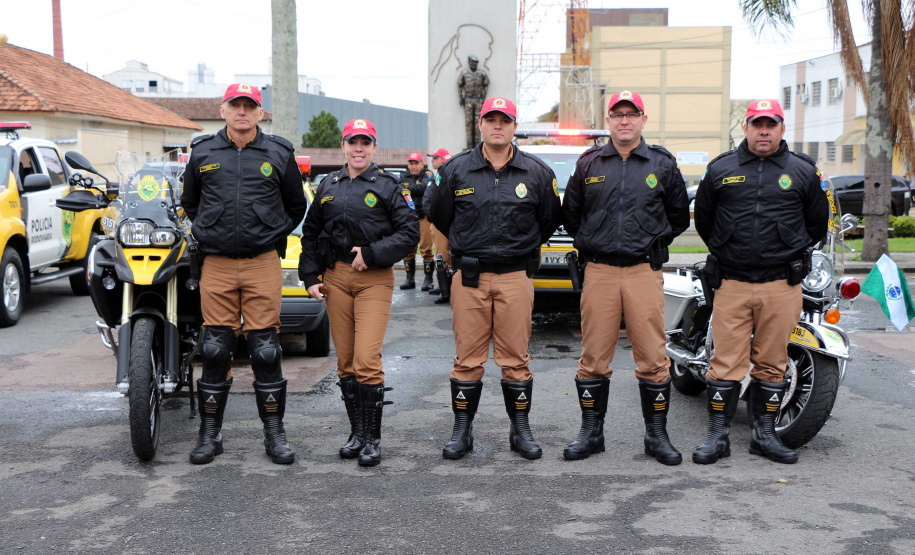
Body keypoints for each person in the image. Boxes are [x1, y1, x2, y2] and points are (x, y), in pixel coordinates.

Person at [693, 99, 828, 465]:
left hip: (781, 285)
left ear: (782, 129)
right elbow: (704, 219)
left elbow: (817, 223)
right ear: (747, 128)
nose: (763, 131)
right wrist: (728, 247)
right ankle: (717, 437)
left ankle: (764, 436)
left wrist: (787, 248)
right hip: (732, 282)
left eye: (771, 124)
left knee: (773, 362)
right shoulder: (721, 168)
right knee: (725, 363)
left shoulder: (802, 171)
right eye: (757, 124)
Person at [180, 83, 307, 465]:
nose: (242, 112)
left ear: (259, 113)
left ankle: (274, 435)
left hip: (262, 261)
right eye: (236, 105)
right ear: (223, 110)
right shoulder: (203, 152)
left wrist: (269, 230)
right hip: (216, 263)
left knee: (265, 350)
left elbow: (295, 205)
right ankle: (209, 435)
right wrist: (210, 229)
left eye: (250, 106)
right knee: (216, 348)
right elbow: (190, 202)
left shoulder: (278, 152)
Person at [561, 90, 690, 465]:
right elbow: (572, 214)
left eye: (631, 114)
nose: (624, 121)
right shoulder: (589, 163)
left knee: (652, 356)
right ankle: (591, 433)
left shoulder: (661, 164)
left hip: (642, 271)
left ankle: (657, 436)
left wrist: (650, 241)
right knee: (593, 357)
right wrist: (594, 239)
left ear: (643, 120)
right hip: (599, 270)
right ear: (609, 121)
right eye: (617, 114)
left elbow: (678, 216)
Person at [428, 97, 561, 460]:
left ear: (514, 126)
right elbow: (438, 213)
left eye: (505, 120)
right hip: (469, 277)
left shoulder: (536, 172)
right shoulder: (456, 170)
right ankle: (462, 432)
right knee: (467, 360)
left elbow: (549, 219)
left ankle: (520, 432)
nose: (498, 125)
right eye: (491, 119)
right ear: (481, 125)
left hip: (516, 276)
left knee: (516, 359)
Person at [298, 119, 420, 467]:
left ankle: (373, 439)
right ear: (344, 145)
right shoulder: (328, 185)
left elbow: (409, 232)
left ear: (374, 147)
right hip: (335, 278)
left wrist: (372, 252)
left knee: (367, 359)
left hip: (373, 279)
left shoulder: (388, 186)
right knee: (346, 361)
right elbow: (311, 233)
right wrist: (310, 276)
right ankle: (357, 434)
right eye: (353, 141)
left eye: (365, 142)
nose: (358, 148)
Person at [398, 153, 435, 291]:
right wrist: (408, 190)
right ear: (408, 165)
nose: (413, 167)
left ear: (422, 164)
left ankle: (428, 280)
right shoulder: (403, 176)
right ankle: (409, 279)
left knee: (425, 248)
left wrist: (406, 189)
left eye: (416, 163)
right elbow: (399, 191)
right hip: (407, 218)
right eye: (411, 163)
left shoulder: (428, 174)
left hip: (422, 216)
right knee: (408, 249)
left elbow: (424, 188)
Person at [425, 148, 453, 304]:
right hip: (438, 220)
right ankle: (444, 288)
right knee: (442, 255)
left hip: (443, 221)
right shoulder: (439, 174)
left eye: (435, 158)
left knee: (443, 256)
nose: (432, 160)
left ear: (443, 159)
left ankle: (447, 293)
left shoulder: (446, 174)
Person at [458, 55, 489, 149]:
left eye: (475, 62)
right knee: (469, 123)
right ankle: (469, 146)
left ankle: (477, 145)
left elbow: (486, 85)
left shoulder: (482, 73)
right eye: (472, 62)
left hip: (478, 100)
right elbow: (460, 86)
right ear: (469, 62)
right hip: (468, 100)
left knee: (478, 123)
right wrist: (461, 98)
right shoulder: (464, 73)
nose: (473, 64)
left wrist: (483, 97)